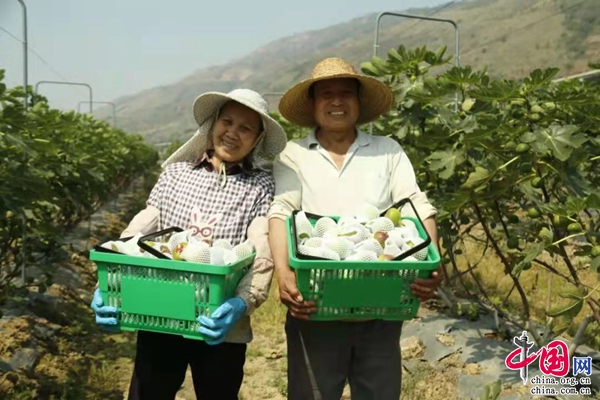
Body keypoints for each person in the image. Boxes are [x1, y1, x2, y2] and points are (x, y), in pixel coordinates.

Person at [90, 88, 287, 400]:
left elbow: (260, 246)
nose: (232, 133)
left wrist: (243, 302)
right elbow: (142, 226)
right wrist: (111, 282)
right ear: (212, 124)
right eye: (227, 121)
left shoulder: (259, 185)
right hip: (160, 312)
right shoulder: (176, 173)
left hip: (220, 322)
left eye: (245, 128)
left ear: (257, 139)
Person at [267, 57, 443, 400]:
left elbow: (416, 204)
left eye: (346, 93)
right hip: (316, 303)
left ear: (359, 103)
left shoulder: (387, 151)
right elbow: (281, 211)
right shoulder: (293, 155)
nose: (336, 101)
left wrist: (430, 260)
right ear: (313, 104)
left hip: (380, 303)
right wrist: (283, 271)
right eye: (326, 94)